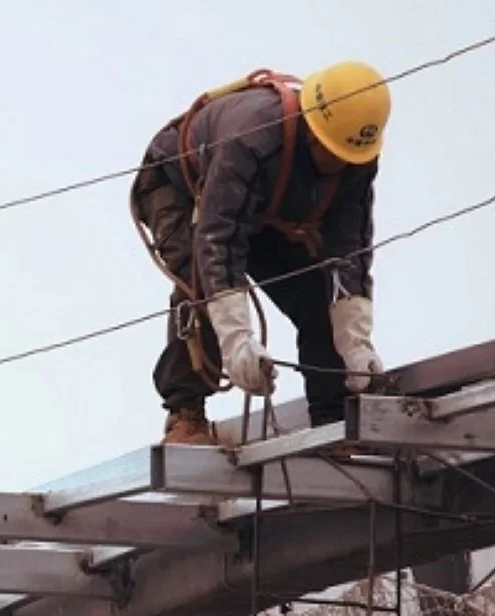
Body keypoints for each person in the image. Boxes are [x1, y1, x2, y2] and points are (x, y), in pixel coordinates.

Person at [130, 60, 392, 447]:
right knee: (200, 282)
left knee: (317, 297)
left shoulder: (356, 156)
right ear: (311, 131)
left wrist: (355, 343)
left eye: (346, 158)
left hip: (262, 207)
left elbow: (347, 251)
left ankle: (333, 418)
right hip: (179, 187)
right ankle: (186, 415)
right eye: (329, 153)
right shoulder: (254, 137)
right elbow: (217, 242)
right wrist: (238, 343)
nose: (336, 164)